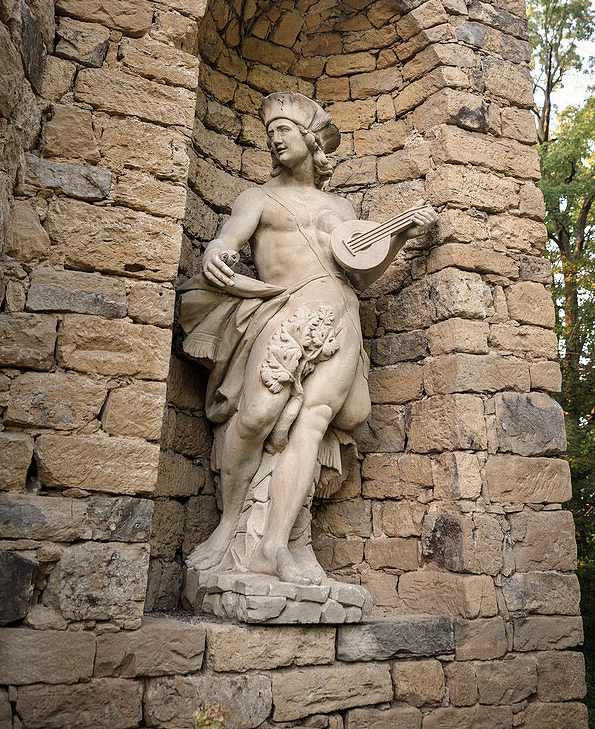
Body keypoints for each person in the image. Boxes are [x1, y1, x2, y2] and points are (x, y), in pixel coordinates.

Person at [178, 91, 437, 585]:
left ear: (311, 139)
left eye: (284, 130)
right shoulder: (257, 198)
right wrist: (215, 253)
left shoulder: (341, 206)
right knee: (255, 416)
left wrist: (401, 237)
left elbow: (359, 275)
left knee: (313, 425)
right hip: (287, 313)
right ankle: (228, 526)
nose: (275, 138)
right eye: (270, 132)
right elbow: (227, 240)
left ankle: (274, 547)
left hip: (342, 314)